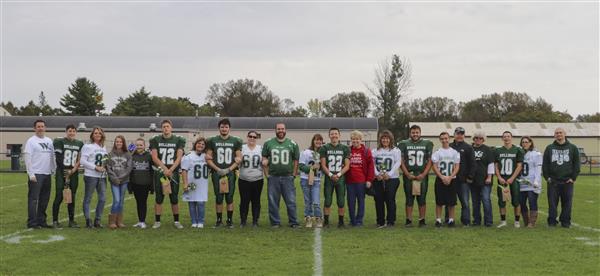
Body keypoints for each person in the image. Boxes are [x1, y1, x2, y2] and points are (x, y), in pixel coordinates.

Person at [206, 118, 243, 228]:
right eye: (222, 127)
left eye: (226, 127)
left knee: (229, 197)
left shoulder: (235, 141)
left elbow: (239, 158)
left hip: (230, 173)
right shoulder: (212, 140)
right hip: (217, 172)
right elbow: (208, 158)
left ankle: (229, 221)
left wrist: (228, 169)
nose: (224, 129)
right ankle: (218, 221)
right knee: (218, 197)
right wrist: (217, 169)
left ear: (229, 128)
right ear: (219, 128)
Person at [262, 122, 300, 228]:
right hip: (273, 177)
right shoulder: (268, 143)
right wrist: (267, 175)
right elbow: (264, 159)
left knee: (291, 201)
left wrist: (294, 174)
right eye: (278, 129)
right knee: (273, 201)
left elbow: (296, 160)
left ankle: (293, 222)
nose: (281, 131)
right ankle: (275, 222)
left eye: (282, 129)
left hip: (288, 177)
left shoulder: (292, 143)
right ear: (275, 130)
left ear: (285, 129)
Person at [149, 119, 186, 229]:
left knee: (174, 197)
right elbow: (154, 157)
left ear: (171, 128)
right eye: (164, 126)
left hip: (173, 172)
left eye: (167, 126)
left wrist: (171, 170)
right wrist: (165, 169)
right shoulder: (155, 139)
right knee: (159, 197)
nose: (166, 128)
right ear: (161, 128)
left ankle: (176, 221)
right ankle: (157, 221)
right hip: (160, 172)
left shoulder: (178, 139)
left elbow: (179, 157)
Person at [542, 128, 580, 228]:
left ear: (565, 134)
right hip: (553, 181)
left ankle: (566, 222)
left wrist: (573, 178)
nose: (559, 134)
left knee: (567, 203)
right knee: (552, 203)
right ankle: (552, 222)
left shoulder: (573, 148)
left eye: (560, 133)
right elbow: (545, 164)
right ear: (554, 135)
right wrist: (547, 177)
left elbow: (577, 164)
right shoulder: (549, 148)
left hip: (567, 180)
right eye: (556, 133)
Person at [23, 119, 55, 229]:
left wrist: (53, 170)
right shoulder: (31, 141)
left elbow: (51, 157)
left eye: (42, 126)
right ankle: (32, 222)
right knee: (33, 199)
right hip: (36, 174)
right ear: (34, 128)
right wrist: (31, 173)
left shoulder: (49, 141)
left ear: (45, 128)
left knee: (45, 199)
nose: (40, 128)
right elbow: (27, 158)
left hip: (47, 174)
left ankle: (42, 221)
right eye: (38, 126)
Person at [399, 125, 433, 227]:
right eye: (413, 132)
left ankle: (422, 220)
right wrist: (407, 174)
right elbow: (401, 161)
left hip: (421, 175)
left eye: (417, 132)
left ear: (420, 133)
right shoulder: (404, 143)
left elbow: (430, 161)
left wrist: (424, 174)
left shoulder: (427, 143)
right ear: (410, 133)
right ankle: (408, 220)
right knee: (409, 198)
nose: (415, 134)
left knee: (422, 198)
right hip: (409, 175)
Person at [51, 124, 84, 228]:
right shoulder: (59, 141)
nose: (72, 133)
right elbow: (58, 158)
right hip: (61, 171)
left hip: (73, 173)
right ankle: (55, 221)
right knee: (59, 196)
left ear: (76, 132)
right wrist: (65, 172)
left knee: (71, 196)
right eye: (70, 131)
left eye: (73, 131)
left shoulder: (79, 143)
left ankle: (71, 221)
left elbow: (79, 158)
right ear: (66, 131)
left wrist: (73, 170)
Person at [320, 127, 351, 228]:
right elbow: (323, 165)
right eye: (332, 134)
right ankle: (326, 222)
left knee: (341, 201)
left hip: (340, 178)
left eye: (336, 134)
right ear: (329, 135)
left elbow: (347, 165)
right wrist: (330, 175)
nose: (334, 135)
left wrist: (337, 175)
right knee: (328, 201)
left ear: (339, 135)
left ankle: (341, 222)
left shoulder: (345, 148)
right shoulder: (324, 148)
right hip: (329, 178)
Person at [371, 130, 402, 228]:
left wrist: (389, 174)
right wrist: (377, 174)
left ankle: (390, 221)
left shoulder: (396, 150)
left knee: (390, 199)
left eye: (387, 138)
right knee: (379, 199)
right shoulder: (375, 151)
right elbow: (372, 164)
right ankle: (380, 221)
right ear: (380, 140)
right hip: (378, 178)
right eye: (383, 138)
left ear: (390, 139)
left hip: (392, 178)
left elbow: (398, 163)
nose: (385, 140)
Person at [80, 126, 109, 228]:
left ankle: (97, 220)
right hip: (91, 175)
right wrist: (95, 167)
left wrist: (105, 167)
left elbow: (104, 160)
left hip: (102, 176)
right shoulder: (88, 146)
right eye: (95, 133)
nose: (97, 135)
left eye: (99, 133)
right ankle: (88, 220)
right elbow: (82, 161)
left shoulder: (103, 147)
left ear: (102, 135)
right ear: (92, 135)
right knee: (88, 198)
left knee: (103, 199)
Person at [495, 131, 524, 228]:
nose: (506, 138)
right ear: (502, 138)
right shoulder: (498, 150)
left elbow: (519, 166)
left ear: (511, 138)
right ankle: (503, 221)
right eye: (505, 137)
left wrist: (512, 178)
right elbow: (496, 166)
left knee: (516, 201)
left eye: (508, 136)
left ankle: (517, 221)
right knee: (502, 201)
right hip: (502, 179)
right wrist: (499, 177)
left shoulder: (517, 150)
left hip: (514, 179)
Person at [345, 130, 375, 227]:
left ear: (361, 140)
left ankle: (359, 220)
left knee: (361, 201)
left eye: (357, 139)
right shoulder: (348, 150)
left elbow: (371, 166)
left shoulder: (366, 151)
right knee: (350, 202)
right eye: (353, 139)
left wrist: (369, 180)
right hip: (349, 181)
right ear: (351, 140)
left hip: (361, 181)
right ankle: (352, 220)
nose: (355, 141)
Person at [432, 132, 461, 228]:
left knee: (451, 202)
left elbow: (457, 167)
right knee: (439, 201)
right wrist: (442, 177)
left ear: (449, 138)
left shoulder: (455, 152)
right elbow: (435, 167)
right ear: (440, 140)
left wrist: (450, 177)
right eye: (442, 138)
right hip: (441, 179)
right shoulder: (437, 152)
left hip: (452, 179)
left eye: (446, 138)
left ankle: (451, 220)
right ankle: (438, 220)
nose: (444, 140)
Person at [449, 127, 476, 226]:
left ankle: (466, 221)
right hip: (451, 178)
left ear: (464, 135)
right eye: (458, 133)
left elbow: (473, 164)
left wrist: (470, 177)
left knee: (465, 201)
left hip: (463, 180)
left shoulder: (468, 147)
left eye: (461, 134)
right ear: (454, 135)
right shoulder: (449, 146)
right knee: (450, 201)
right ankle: (449, 220)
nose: (459, 135)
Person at [181, 137, 210, 228]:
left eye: (203, 144)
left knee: (201, 202)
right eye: (199, 143)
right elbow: (184, 170)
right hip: (191, 183)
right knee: (192, 202)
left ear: (205, 146)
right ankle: (194, 221)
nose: (200, 145)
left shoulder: (206, 156)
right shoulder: (188, 155)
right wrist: (185, 183)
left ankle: (200, 221)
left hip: (202, 183)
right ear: (195, 144)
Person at [239, 131, 264, 227]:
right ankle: (243, 221)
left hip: (257, 179)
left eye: (254, 137)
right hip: (244, 179)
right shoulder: (242, 148)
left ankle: (255, 221)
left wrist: (266, 160)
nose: (252, 138)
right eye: (250, 136)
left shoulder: (261, 149)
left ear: (257, 138)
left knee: (256, 201)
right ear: (247, 137)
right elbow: (236, 159)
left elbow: (266, 159)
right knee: (244, 201)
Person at [106, 135, 132, 229]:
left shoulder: (127, 154)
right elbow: (108, 167)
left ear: (123, 143)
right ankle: (112, 221)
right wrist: (115, 178)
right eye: (117, 141)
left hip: (124, 181)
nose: (118, 143)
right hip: (114, 181)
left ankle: (119, 221)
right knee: (116, 200)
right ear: (115, 143)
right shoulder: (110, 154)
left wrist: (121, 177)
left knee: (121, 201)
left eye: (120, 142)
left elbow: (129, 168)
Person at [299, 134, 324, 228]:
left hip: (317, 180)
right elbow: (301, 166)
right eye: (317, 140)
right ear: (313, 141)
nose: (318, 142)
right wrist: (311, 169)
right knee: (307, 201)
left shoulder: (323, 153)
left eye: (320, 140)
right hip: (305, 179)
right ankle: (308, 218)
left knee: (316, 201)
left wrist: (320, 166)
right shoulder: (305, 152)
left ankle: (318, 218)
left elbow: (324, 166)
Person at [470, 131, 495, 227]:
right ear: (473, 139)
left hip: (485, 180)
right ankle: (476, 221)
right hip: (473, 180)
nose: (478, 140)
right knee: (475, 202)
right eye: (476, 138)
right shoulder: (470, 148)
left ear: (483, 139)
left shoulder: (488, 149)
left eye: (480, 138)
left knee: (486, 200)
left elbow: (491, 164)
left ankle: (488, 221)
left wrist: (489, 177)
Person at [518, 136, 543, 228]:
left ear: (530, 143)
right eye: (523, 142)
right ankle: (526, 221)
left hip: (532, 182)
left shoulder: (536, 154)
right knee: (521, 202)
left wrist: (536, 180)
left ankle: (532, 223)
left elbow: (538, 168)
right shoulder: (520, 153)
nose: (524, 144)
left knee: (532, 202)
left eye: (526, 142)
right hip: (522, 182)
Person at [130, 138, 154, 229]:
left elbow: (153, 169)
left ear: (144, 146)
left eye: (141, 145)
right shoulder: (133, 155)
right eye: (137, 145)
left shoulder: (149, 156)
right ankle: (140, 221)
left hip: (145, 183)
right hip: (135, 183)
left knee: (143, 202)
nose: (139, 147)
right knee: (138, 202)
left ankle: (143, 221)